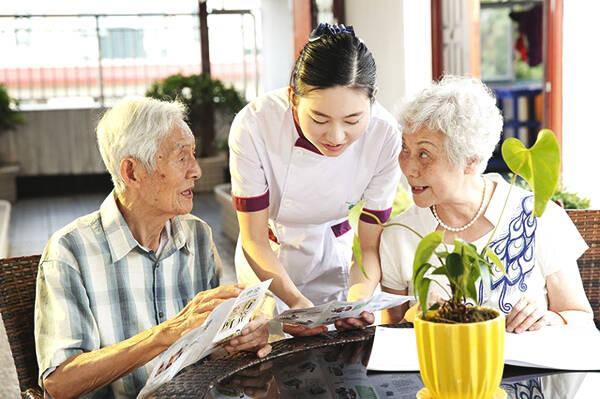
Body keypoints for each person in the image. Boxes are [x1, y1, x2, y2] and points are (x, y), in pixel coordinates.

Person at [34, 97, 271, 398]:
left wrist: (240, 338)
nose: (196, 171)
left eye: (194, 155)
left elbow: (210, 351)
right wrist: (168, 333)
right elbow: (60, 383)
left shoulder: (198, 236)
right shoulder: (70, 252)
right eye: (181, 157)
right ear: (132, 172)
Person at [380, 75, 593, 332]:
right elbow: (390, 335)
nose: (409, 167)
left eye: (424, 154)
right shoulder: (400, 234)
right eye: (405, 148)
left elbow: (580, 317)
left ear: (470, 159)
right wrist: (417, 315)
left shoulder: (538, 217)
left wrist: (548, 318)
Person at [228, 23, 401, 333]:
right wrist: (295, 304)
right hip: (268, 255)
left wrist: (359, 298)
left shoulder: (385, 135)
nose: (336, 136)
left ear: (373, 98)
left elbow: (369, 246)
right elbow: (253, 239)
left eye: (352, 120)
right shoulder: (254, 125)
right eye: (319, 119)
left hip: (335, 249)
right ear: (294, 97)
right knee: (268, 357)